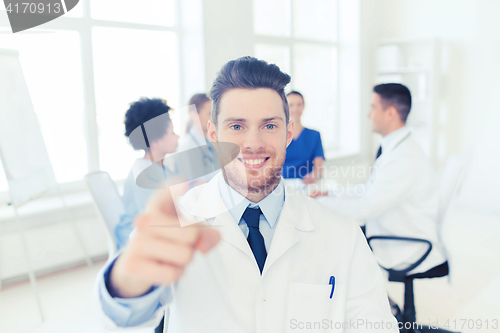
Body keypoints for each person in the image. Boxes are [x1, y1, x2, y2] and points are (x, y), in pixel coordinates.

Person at [95, 57, 398, 332]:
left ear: (288, 133)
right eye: (237, 126)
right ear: (214, 135)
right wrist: (126, 283)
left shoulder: (343, 235)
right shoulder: (177, 224)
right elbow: (126, 316)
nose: (253, 143)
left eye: (269, 125)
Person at [313, 83, 446, 275]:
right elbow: (369, 190)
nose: (369, 115)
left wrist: (320, 202)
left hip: (403, 244)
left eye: (373, 108)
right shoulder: (398, 149)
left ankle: (367, 301)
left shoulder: (403, 159)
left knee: (330, 243)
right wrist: (330, 193)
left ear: (390, 113)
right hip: (394, 230)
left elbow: (362, 210)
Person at [114, 98, 179, 250]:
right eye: (172, 132)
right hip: (136, 242)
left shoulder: (162, 168)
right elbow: (155, 218)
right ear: (155, 141)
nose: (177, 136)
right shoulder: (143, 174)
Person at [282, 91, 325, 184]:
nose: (295, 109)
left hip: (306, 184)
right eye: (291, 105)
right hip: (283, 185)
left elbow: (319, 168)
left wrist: (314, 175)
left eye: (299, 104)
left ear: (304, 106)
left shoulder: (314, 135)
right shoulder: (278, 136)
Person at [175, 93, 218, 183]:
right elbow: (196, 184)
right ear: (194, 115)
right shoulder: (187, 146)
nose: (214, 118)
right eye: (210, 114)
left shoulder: (209, 142)